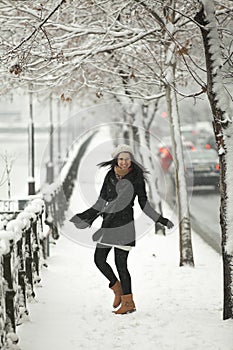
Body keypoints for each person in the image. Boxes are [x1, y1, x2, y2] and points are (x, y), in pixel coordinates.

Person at [70, 144, 174, 315]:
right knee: (99, 259)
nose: (124, 162)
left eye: (127, 158)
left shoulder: (137, 178)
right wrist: (85, 216)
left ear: (131, 160)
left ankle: (128, 303)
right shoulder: (110, 175)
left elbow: (143, 204)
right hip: (108, 224)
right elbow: (100, 202)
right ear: (116, 160)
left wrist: (160, 219)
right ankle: (117, 288)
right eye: (121, 159)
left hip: (125, 225)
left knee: (121, 265)